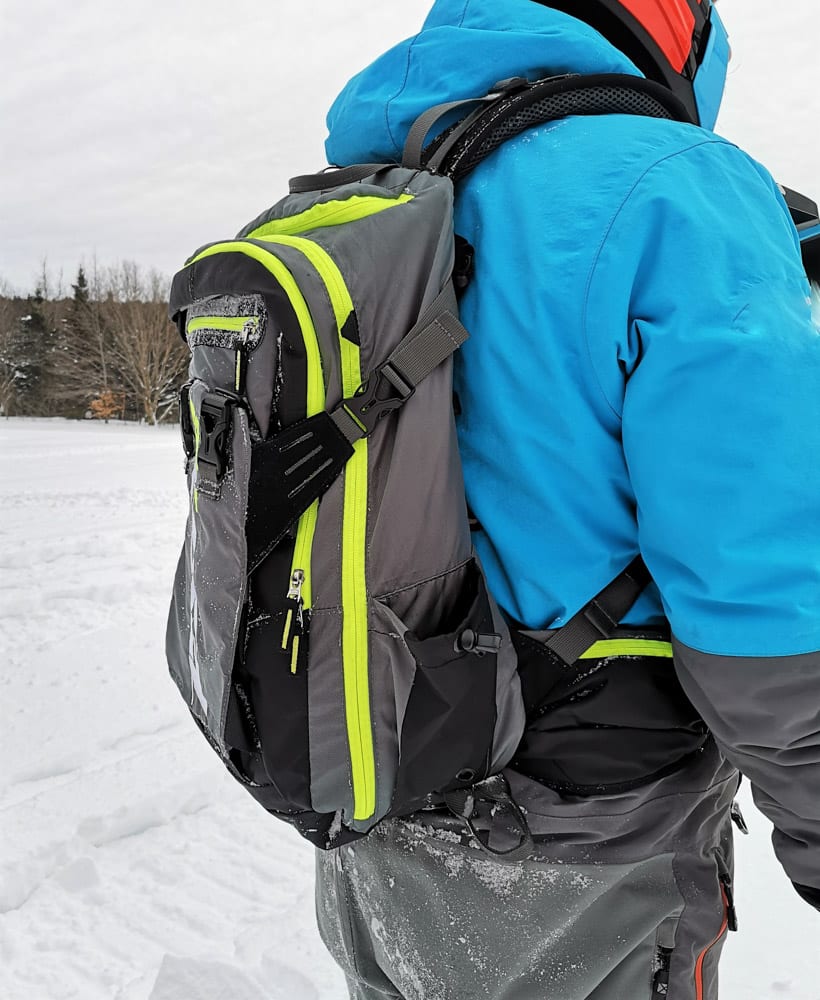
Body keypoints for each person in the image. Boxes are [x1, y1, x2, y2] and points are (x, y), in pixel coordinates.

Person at [314, 1, 820, 997]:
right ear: (679, 35)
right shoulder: (679, 191)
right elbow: (767, 614)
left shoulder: (375, 196)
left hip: (373, 780)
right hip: (583, 843)